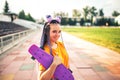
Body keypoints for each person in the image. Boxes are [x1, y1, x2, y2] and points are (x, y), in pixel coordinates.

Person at [39, 15, 71, 80]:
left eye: (59, 31)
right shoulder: (44, 51)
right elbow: (41, 78)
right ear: (46, 32)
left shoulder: (61, 44)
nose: (58, 35)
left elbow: (67, 63)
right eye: (54, 31)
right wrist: (54, 64)